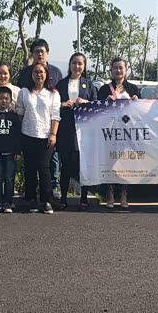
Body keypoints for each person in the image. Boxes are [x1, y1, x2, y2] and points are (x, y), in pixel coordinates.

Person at [16, 39, 63, 199]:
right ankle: (30, 199)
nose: (40, 54)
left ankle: (49, 196)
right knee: (30, 167)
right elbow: (20, 110)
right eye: (36, 51)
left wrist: (53, 133)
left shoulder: (56, 77)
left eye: (42, 51)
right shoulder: (24, 82)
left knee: (46, 167)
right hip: (28, 132)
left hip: (47, 133)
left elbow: (56, 112)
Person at [97, 57, 140, 209]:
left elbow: (140, 113)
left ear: (126, 70)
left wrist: (137, 101)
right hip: (109, 133)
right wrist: (105, 102)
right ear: (111, 70)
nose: (118, 70)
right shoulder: (104, 89)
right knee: (109, 162)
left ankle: (124, 195)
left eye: (121, 68)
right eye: (115, 68)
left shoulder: (133, 89)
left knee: (125, 163)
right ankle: (109, 195)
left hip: (127, 133)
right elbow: (97, 111)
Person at [55, 52, 96, 210]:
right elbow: (53, 104)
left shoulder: (89, 84)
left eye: (80, 63)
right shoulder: (61, 84)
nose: (77, 66)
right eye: (74, 63)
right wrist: (63, 104)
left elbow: (96, 105)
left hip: (84, 130)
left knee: (83, 165)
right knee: (65, 165)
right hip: (65, 130)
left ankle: (84, 198)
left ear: (84, 66)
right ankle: (63, 198)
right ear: (70, 64)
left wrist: (85, 102)